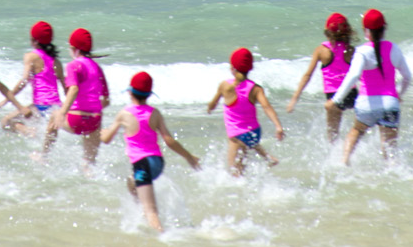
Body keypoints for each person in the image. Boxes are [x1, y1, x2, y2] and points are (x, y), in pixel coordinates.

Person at [101, 70, 200, 232]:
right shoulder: (155, 114)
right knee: (131, 182)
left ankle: (163, 237)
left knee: (151, 212)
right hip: (157, 162)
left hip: (142, 165)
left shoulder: (124, 114)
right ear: (149, 95)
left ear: (130, 92)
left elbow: (106, 139)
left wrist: (102, 133)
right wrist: (188, 156)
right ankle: (141, 205)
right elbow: (168, 140)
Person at [327, 8, 411, 164]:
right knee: (390, 149)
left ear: (366, 31)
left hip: (367, 104)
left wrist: (336, 100)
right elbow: (407, 77)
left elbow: (353, 76)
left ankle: (344, 162)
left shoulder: (362, 52)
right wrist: (398, 94)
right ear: (384, 28)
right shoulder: (394, 48)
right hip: (390, 104)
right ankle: (392, 172)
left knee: (356, 132)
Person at [207, 47, 285, 173]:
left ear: (232, 68)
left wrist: (210, 107)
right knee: (251, 144)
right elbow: (266, 107)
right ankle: (268, 158)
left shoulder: (225, 86)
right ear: (250, 68)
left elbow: (213, 103)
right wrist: (278, 126)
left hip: (237, 135)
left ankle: (242, 189)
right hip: (254, 131)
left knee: (235, 171)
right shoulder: (255, 88)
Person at [286, 12, 357, 139]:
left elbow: (308, 75)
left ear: (328, 32)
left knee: (332, 135)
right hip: (351, 94)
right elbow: (362, 74)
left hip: (333, 97)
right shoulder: (351, 50)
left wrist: (294, 98)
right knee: (358, 130)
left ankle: (335, 156)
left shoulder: (321, 51)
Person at [45, 27, 110, 165]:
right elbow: (106, 99)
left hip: (76, 119)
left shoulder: (73, 65)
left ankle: (44, 155)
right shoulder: (97, 68)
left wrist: (63, 112)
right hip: (95, 121)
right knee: (90, 163)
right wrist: (92, 109)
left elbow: (74, 89)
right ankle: (89, 171)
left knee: (53, 116)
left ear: (75, 49)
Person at [0, 20, 65, 136]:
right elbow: (67, 88)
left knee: (6, 121)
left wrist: (7, 99)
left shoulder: (31, 57)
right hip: (56, 107)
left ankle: (30, 133)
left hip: (40, 106)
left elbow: (24, 81)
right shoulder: (57, 62)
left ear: (34, 40)